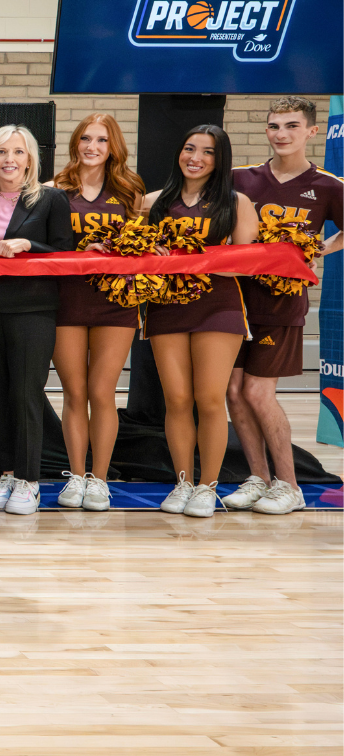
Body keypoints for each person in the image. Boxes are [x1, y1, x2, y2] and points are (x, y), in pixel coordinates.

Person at [226, 97, 344, 514]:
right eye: (274, 126)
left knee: (258, 393)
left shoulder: (328, 185)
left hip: (282, 303)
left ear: (311, 131)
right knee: (234, 393)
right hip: (233, 300)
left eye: (292, 126)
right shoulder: (240, 178)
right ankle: (258, 478)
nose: (281, 134)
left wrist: (317, 252)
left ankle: (289, 485)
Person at [145, 126, 258, 518]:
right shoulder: (152, 202)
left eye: (207, 152)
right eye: (189, 148)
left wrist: (200, 258)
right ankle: (183, 483)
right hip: (166, 306)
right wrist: (151, 252)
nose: (196, 157)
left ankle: (207, 488)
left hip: (218, 306)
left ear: (219, 159)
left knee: (209, 399)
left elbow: (245, 264)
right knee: (176, 399)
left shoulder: (236, 201)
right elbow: (134, 253)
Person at [0, 126, 73, 516]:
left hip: (32, 309)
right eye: (0, 152)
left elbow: (65, 253)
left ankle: (29, 481)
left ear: (31, 159)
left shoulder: (51, 199)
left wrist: (28, 245)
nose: (9, 159)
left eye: (18, 152)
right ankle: (6, 472)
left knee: (26, 393)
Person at [49, 114, 145, 511]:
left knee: (102, 391)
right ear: (75, 143)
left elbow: (141, 242)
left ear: (113, 147)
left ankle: (100, 480)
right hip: (66, 300)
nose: (92, 146)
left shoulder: (130, 191)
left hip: (116, 301)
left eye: (101, 140)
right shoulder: (54, 188)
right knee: (74, 392)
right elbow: (47, 247)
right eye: (85, 138)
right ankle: (75, 476)